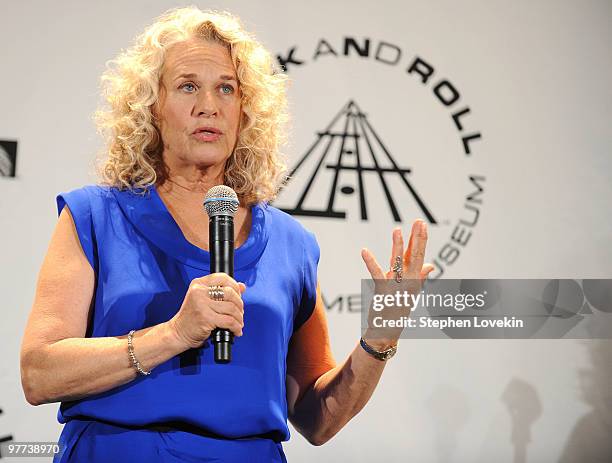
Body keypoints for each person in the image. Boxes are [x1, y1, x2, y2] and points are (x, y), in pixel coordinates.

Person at [19, 7, 434, 462]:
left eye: (226, 89)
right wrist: (175, 334)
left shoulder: (290, 244)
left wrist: (379, 339)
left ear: (245, 111)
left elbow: (318, 419)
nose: (209, 106)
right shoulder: (95, 216)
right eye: (187, 86)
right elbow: (39, 374)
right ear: (151, 107)